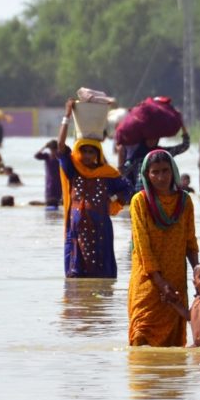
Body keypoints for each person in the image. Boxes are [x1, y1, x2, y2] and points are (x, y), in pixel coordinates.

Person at [127, 149, 199, 347]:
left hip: (175, 279)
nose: (161, 177)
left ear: (173, 171)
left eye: (165, 171)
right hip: (147, 280)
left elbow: (190, 241)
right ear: (147, 175)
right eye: (155, 172)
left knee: (173, 345)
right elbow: (142, 246)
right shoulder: (139, 202)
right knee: (141, 334)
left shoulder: (184, 201)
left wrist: (198, 273)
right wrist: (159, 282)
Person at [58, 98, 134, 279]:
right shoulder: (73, 170)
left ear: (98, 154)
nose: (87, 155)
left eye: (91, 151)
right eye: (83, 151)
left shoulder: (107, 174)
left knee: (102, 278)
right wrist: (67, 116)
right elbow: (61, 147)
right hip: (76, 232)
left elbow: (128, 190)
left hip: (101, 232)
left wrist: (112, 200)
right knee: (76, 282)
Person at [120, 124, 190, 194]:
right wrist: (120, 158)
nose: (151, 140)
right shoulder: (137, 155)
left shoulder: (162, 153)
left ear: (157, 139)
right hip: (142, 192)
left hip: (161, 192)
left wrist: (183, 127)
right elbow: (124, 170)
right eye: (149, 138)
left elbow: (184, 146)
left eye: (154, 138)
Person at [34, 139, 63, 208]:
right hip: (49, 182)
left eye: (54, 149)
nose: (53, 151)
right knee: (49, 201)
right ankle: (50, 215)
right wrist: (44, 147)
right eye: (51, 150)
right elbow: (36, 155)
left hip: (59, 181)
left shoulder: (60, 157)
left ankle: (57, 214)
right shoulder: (47, 156)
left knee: (59, 201)